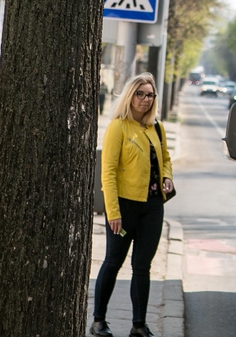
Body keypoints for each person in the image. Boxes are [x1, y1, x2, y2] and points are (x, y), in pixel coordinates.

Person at [90, 73, 174, 337]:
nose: (145, 99)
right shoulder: (118, 127)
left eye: (150, 95)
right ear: (130, 95)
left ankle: (139, 325)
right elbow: (108, 173)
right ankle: (98, 321)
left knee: (142, 266)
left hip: (152, 207)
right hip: (124, 208)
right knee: (113, 261)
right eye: (140, 94)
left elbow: (166, 158)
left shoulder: (156, 127)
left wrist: (167, 176)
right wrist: (112, 212)